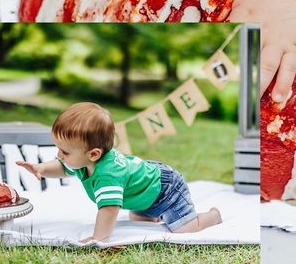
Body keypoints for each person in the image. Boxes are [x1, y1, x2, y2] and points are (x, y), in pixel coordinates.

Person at [17, 102, 221, 243]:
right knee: (139, 225)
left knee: (185, 230)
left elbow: (109, 210)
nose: (58, 154)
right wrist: (41, 169)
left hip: (166, 190)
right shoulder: (81, 160)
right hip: (142, 191)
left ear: (94, 154)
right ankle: (152, 215)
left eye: (64, 151)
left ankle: (211, 216)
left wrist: (99, 239)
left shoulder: (108, 175)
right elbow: (62, 167)